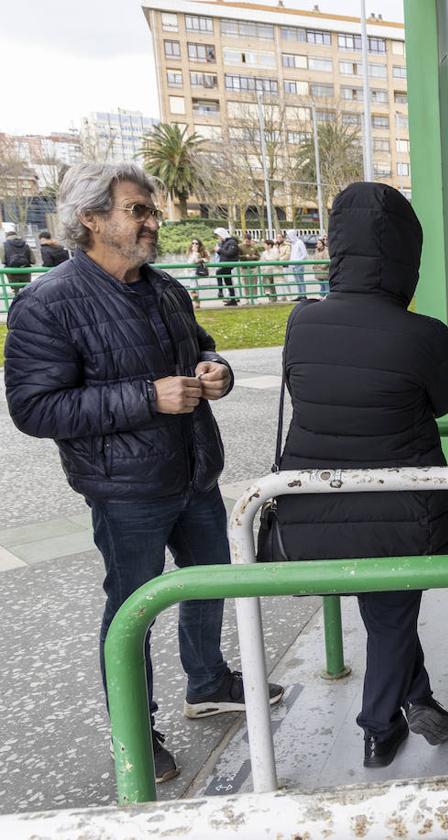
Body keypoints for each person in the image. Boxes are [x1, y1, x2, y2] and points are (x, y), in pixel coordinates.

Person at [3, 163, 283, 786]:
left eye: (150, 210)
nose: (153, 221)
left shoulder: (163, 288)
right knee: (132, 607)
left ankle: (208, 681)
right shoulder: (48, 303)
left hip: (194, 474)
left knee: (208, 584)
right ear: (91, 219)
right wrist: (146, 398)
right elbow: (34, 408)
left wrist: (216, 371)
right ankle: (135, 724)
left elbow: (204, 345)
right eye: (138, 210)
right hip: (125, 489)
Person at [276, 182, 448, 768]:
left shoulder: (301, 323)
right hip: (399, 513)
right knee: (390, 616)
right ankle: (379, 729)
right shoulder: (424, 334)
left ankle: (421, 697)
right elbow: (446, 401)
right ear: (409, 255)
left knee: (385, 611)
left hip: (312, 510)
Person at [213, 227, 240, 305]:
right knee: (228, 282)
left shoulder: (232, 242)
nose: (218, 238)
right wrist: (218, 251)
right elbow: (224, 254)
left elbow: (230, 253)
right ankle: (233, 299)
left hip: (229, 265)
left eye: (219, 236)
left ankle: (221, 291)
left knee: (219, 273)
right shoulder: (224, 243)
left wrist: (219, 250)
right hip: (225, 264)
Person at [185, 238, 208, 308]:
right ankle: (196, 302)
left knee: (193, 288)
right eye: (193, 243)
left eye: (196, 243)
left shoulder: (197, 253)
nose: (194, 245)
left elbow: (197, 261)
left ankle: (196, 303)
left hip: (194, 272)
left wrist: (197, 254)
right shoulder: (190, 252)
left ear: (199, 245)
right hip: (189, 272)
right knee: (194, 287)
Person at [287, 230, 309, 297]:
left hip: (299, 265)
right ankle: (300, 295)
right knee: (297, 281)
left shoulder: (299, 242)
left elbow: (304, 254)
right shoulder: (293, 244)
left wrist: (298, 261)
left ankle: (303, 295)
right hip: (293, 265)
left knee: (300, 280)